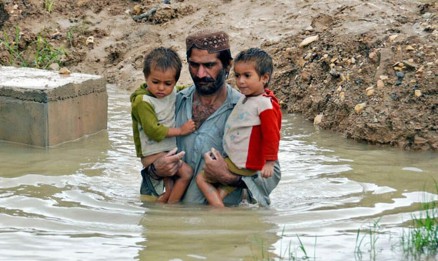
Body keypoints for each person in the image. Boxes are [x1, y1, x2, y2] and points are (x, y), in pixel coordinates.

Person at [140, 30, 281, 207]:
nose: (200, 74)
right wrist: (155, 170)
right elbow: (147, 153)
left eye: (209, 65)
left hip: (223, 226)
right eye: (194, 65)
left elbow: (272, 175)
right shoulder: (171, 104)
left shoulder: (250, 108)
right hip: (175, 222)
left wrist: (229, 177)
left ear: (227, 66)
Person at [196, 48, 282, 207]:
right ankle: (220, 213)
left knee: (201, 178)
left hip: (243, 163)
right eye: (237, 75)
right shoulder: (249, 98)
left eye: (247, 76)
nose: (241, 81)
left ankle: (218, 212)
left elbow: (272, 135)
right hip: (237, 160)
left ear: (264, 78)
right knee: (219, 196)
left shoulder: (264, 104)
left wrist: (269, 162)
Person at [130, 47, 196, 204]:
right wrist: (180, 130)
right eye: (155, 82)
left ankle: (162, 209)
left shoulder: (172, 92)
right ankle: (171, 210)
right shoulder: (142, 102)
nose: (161, 88)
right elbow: (153, 130)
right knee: (186, 173)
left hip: (166, 151)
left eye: (168, 83)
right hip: (153, 154)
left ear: (175, 81)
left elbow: (185, 90)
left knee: (170, 189)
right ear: (146, 77)